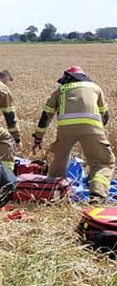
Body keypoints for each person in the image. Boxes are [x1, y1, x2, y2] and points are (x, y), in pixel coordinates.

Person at [33, 66, 114, 201]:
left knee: (59, 160)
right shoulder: (95, 88)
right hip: (92, 127)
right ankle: (97, 195)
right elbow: (105, 115)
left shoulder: (60, 90)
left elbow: (46, 116)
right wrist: (97, 133)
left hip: (66, 129)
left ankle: (53, 191)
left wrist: (38, 138)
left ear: (68, 78)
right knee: (103, 162)